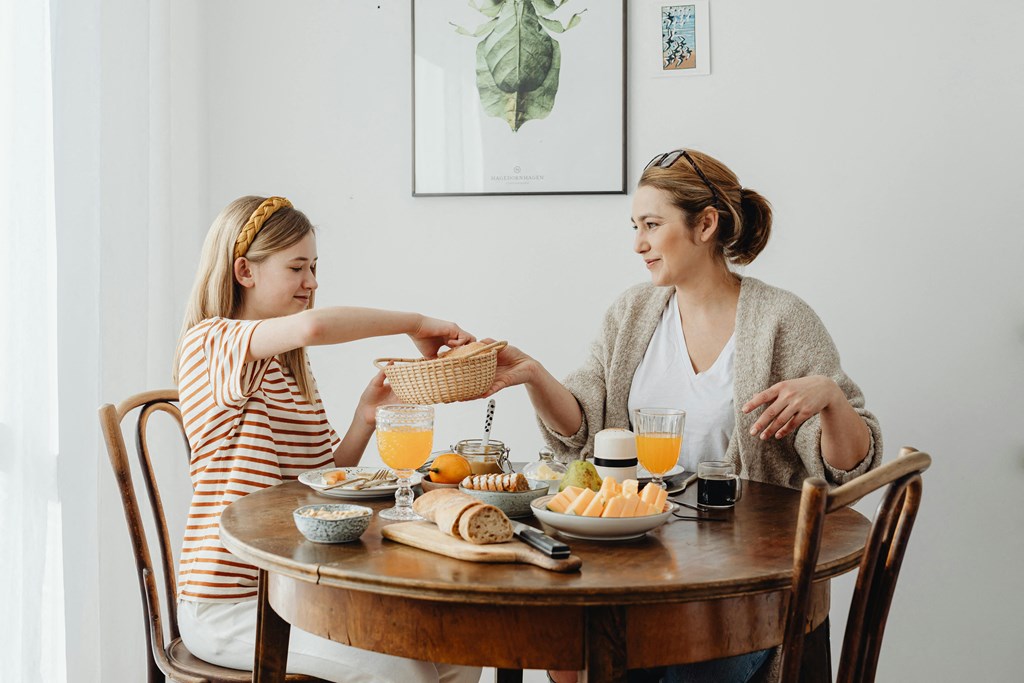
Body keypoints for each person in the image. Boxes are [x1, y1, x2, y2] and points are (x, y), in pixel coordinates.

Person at [485, 149, 883, 683]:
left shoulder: (781, 321)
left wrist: (831, 397)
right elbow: (583, 429)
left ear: (706, 225)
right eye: (635, 226)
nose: (638, 243)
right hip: (638, 568)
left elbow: (847, 469)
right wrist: (533, 374)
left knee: (630, 660)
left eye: (652, 224)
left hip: (745, 589)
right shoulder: (632, 313)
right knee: (560, 645)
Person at [172, 195, 481, 683]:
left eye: (314, 266)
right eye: (297, 267)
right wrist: (417, 324)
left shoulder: (288, 369)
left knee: (460, 652)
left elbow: (321, 479)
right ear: (244, 271)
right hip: (229, 603)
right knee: (404, 673)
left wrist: (365, 416)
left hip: (296, 589)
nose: (312, 282)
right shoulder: (209, 343)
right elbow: (315, 326)